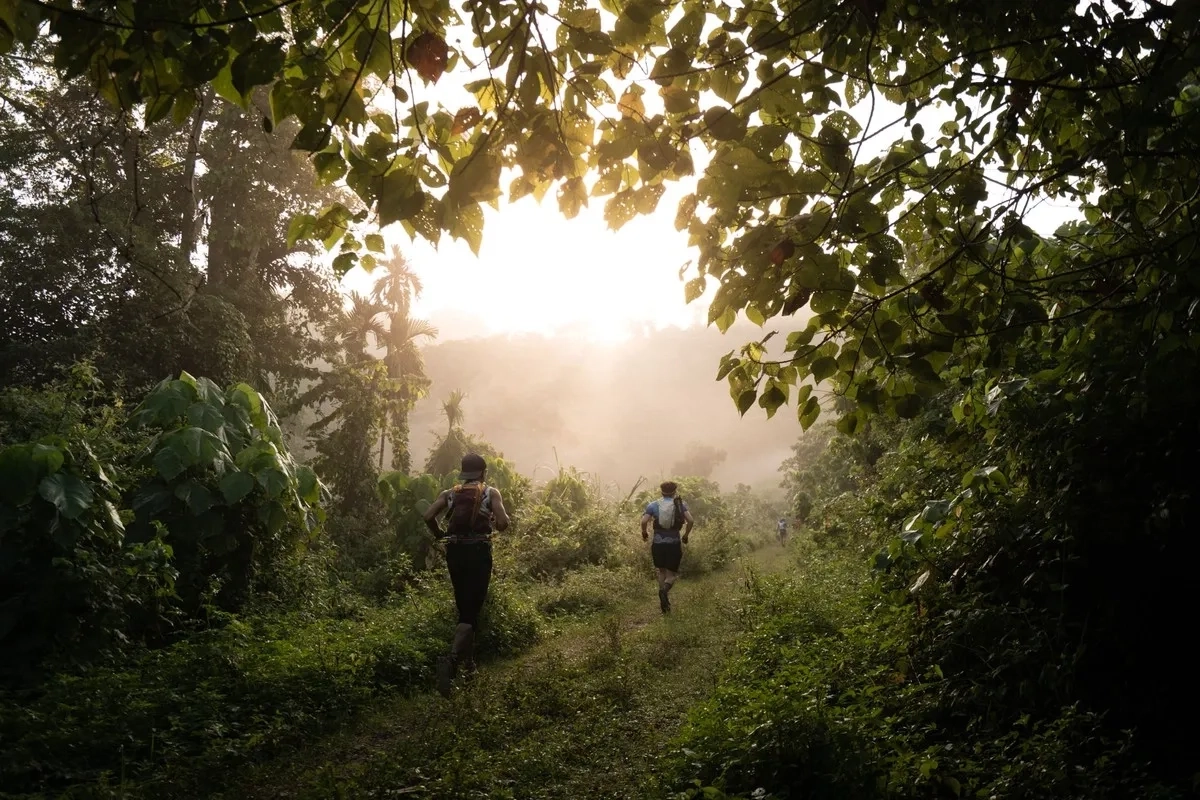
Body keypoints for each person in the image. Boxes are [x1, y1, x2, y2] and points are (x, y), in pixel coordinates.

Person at [423, 453, 510, 698]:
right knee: (472, 611)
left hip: (455, 552)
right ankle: (451, 661)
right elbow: (502, 523)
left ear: (463, 473)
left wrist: (439, 534)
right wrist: (500, 521)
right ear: (483, 473)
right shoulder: (490, 493)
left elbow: (428, 516)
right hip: (479, 552)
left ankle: (469, 668)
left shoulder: (450, 493)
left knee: (464, 609)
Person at [640, 481, 694, 614]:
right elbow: (691, 521)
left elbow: (643, 521)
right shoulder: (680, 505)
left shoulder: (653, 505)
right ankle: (664, 592)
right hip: (674, 543)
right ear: (675, 492)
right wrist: (686, 535)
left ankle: (663, 599)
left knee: (662, 571)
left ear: (661, 491)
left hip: (658, 543)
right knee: (671, 574)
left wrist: (644, 532)